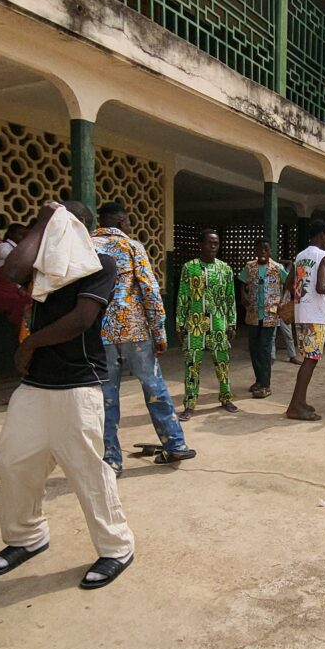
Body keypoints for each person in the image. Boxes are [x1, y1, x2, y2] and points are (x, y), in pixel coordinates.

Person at [0, 200, 135, 590]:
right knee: (15, 461)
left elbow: (82, 319)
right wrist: (42, 221)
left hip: (78, 383)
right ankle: (27, 536)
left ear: (79, 228)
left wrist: (30, 344)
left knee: (86, 471)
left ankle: (116, 547)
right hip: (36, 385)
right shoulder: (40, 267)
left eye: (60, 223)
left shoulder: (101, 265)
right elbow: (11, 270)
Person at [92, 201, 193, 473]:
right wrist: (160, 333)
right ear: (122, 221)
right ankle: (175, 443)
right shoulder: (132, 247)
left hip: (98, 333)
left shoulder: (85, 246)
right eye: (127, 221)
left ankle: (111, 461)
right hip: (134, 331)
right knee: (154, 386)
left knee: (106, 397)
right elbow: (150, 290)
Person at [286, 219, 325, 422]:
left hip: (301, 313)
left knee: (307, 358)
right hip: (314, 316)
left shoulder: (300, 256)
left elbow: (289, 282)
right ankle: (295, 407)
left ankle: (300, 402)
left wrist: (301, 297)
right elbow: (321, 287)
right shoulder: (324, 256)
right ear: (321, 235)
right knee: (310, 361)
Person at [176, 229, 238, 419]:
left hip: (218, 324)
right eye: (209, 243)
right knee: (192, 365)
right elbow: (183, 296)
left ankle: (226, 398)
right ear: (200, 245)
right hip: (194, 325)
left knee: (222, 363)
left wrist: (232, 323)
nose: (213, 246)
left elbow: (230, 297)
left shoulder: (225, 269)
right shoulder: (189, 267)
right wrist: (179, 324)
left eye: (216, 243)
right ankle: (189, 404)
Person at [238, 239, 288, 399]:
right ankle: (259, 381)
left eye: (266, 249)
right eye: (260, 249)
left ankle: (266, 385)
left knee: (265, 349)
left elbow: (289, 283)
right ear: (256, 251)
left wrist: (283, 301)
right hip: (253, 314)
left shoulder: (277, 268)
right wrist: (243, 295)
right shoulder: (249, 267)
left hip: (270, 314)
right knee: (254, 348)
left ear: (270, 251)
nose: (263, 252)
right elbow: (241, 282)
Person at [0, 223, 31, 325]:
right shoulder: (3, 247)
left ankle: (24, 328)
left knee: (30, 300)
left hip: (9, 290)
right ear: (11, 234)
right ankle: (17, 329)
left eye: (26, 235)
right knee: (19, 303)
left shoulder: (18, 249)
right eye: (21, 234)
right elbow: (16, 262)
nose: (24, 238)